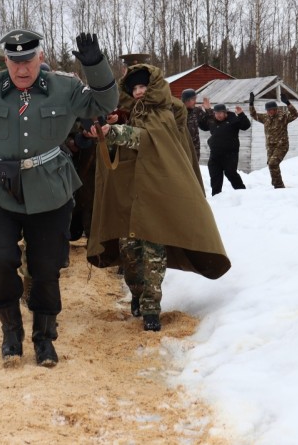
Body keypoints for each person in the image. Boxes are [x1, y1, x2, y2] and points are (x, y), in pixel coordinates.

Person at [0, 30, 118, 367]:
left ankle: (44, 338)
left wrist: (95, 64)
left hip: (50, 190)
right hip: (1, 190)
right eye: (14, 61)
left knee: (46, 268)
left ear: (40, 58)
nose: (21, 69)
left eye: (27, 60)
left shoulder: (65, 87)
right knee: (0, 261)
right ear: (6, 61)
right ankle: (11, 332)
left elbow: (105, 103)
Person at [86, 63, 231, 331]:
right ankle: (138, 296)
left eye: (143, 86)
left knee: (153, 252)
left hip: (156, 193)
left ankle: (152, 307)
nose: (139, 92)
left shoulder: (166, 111)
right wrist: (114, 124)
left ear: (152, 86)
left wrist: (115, 132)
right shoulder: (131, 112)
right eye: (134, 88)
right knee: (130, 252)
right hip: (130, 194)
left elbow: (147, 138)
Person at [198, 98, 251, 195]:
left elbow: (246, 126)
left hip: (230, 154)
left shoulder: (233, 119)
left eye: (220, 113)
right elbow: (203, 126)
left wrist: (241, 115)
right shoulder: (212, 121)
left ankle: (242, 192)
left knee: (230, 173)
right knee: (215, 177)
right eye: (216, 113)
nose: (218, 115)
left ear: (225, 113)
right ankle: (216, 196)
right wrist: (201, 113)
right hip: (215, 155)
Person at [248, 92, 298, 189]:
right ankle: (277, 185)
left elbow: (295, 114)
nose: (270, 112)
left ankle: (279, 186)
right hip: (270, 146)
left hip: (282, 146)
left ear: (276, 109)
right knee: (271, 166)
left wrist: (288, 103)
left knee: (273, 163)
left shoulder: (283, 116)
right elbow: (253, 115)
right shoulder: (265, 117)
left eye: (272, 110)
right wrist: (251, 104)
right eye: (268, 110)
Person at [181, 88, 205, 160]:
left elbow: (207, 125)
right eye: (193, 99)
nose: (195, 102)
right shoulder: (177, 112)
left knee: (194, 170)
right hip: (181, 149)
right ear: (186, 100)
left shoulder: (196, 111)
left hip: (194, 150)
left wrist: (208, 110)